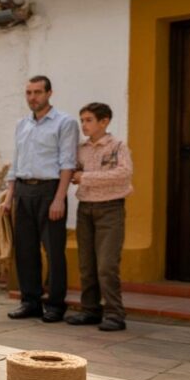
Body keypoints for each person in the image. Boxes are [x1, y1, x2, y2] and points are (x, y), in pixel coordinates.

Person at [3, 76, 78, 323]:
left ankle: (55, 305)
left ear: (49, 93)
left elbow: (68, 163)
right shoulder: (21, 124)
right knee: (25, 250)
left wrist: (59, 199)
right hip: (23, 191)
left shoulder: (65, 123)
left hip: (50, 191)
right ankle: (30, 302)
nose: (32, 97)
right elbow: (16, 163)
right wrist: (9, 198)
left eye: (37, 92)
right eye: (28, 92)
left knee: (54, 251)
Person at [66, 103, 132, 331]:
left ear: (104, 122)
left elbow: (123, 174)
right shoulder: (81, 149)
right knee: (86, 264)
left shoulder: (118, 146)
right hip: (85, 209)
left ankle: (115, 314)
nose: (83, 125)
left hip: (110, 209)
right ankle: (90, 310)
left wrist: (85, 177)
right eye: (82, 120)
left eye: (89, 120)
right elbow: (72, 172)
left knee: (107, 265)